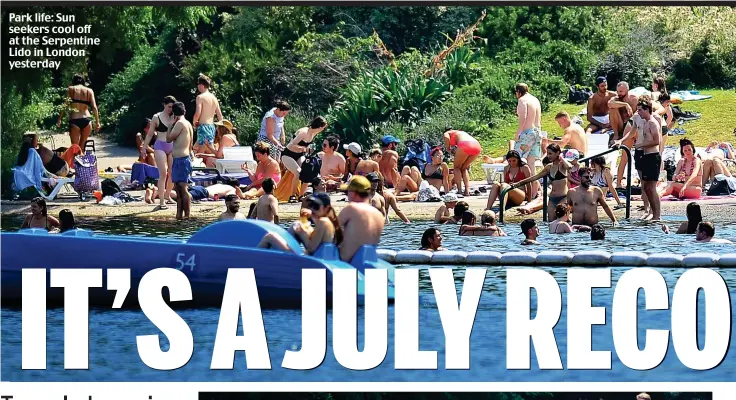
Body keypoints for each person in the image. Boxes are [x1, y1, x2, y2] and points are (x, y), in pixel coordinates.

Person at [259, 192, 342, 255]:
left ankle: (252, 260)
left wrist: (302, 233)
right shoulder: (328, 221)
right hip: (317, 257)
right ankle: (277, 253)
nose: (312, 209)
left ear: (326, 208)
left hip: (312, 260)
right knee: (296, 224)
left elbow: (311, 249)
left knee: (270, 237)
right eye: (311, 205)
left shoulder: (323, 222)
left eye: (316, 206)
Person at [510, 144, 572, 222]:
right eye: (547, 153)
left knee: (563, 222)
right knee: (551, 223)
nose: (548, 156)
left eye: (550, 153)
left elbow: (570, 167)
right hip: (552, 199)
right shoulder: (549, 167)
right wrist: (518, 184)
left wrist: (561, 158)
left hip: (563, 198)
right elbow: (535, 177)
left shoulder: (562, 165)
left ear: (557, 153)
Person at [337, 176, 386, 262]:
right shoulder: (379, 215)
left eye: (347, 191)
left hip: (348, 262)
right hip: (369, 260)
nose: (347, 194)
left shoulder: (351, 209)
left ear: (354, 193)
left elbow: (331, 231)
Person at [281, 116, 328, 200]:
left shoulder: (314, 133)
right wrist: (305, 149)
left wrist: (309, 150)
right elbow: (292, 145)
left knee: (308, 170)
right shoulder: (303, 132)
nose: (322, 130)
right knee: (298, 172)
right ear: (319, 126)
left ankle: (301, 195)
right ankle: (292, 195)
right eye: (322, 128)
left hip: (300, 155)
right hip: (288, 154)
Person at [143, 96, 177, 209]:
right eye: (169, 107)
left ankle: (167, 195)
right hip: (160, 145)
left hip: (172, 146)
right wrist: (144, 147)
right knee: (163, 173)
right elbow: (150, 134)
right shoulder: (156, 117)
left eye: (172, 107)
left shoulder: (175, 116)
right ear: (164, 105)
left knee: (172, 173)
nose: (170, 109)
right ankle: (161, 201)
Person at [634, 98, 662, 220]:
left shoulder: (652, 122)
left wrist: (641, 145)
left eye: (640, 110)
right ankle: (651, 213)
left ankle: (657, 215)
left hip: (653, 157)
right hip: (646, 157)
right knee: (646, 187)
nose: (638, 112)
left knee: (651, 187)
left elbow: (657, 141)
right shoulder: (644, 123)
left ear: (646, 109)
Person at [166, 101, 194, 220]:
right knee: (178, 188)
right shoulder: (188, 123)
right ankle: (179, 215)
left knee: (182, 188)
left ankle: (186, 215)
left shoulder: (179, 124)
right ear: (184, 111)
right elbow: (191, 143)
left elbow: (168, 139)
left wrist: (170, 125)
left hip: (181, 160)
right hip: (183, 159)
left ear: (174, 113)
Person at [57, 74, 100, 147]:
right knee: (82, 147)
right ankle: (82, 157)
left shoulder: (71, 89)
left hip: (74, 119)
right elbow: (94, 107)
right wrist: (97, 122)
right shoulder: (89, 90)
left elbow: (65, 105)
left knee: (75, 148)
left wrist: (59, 119)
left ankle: (76, 158)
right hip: (87, 120)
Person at [513, 83, 544, 174]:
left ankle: (518, 184)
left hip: (527, 133)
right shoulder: (535, 100)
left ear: (518, 92)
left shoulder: (522, 100)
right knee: (531, 164)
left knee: (516, 159)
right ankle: (534, 187)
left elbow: (524, 117)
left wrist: (518, 133)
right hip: (537, 132)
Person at [192, 74, 224, 154]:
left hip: (203, 126)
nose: (198, 87)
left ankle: (214, 162)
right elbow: (220, 116)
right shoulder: (214, 98)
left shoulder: (200, 97)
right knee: (196, 148)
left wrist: (194, 122)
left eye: (198, 84)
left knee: (202, 151)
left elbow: (197, 113)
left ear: (201, 85)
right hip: (211, 126)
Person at [444, 129, 481, 196]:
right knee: (464, 168)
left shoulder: (447, 133)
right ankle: (467, 191)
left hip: (465, 144)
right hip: (476, 145)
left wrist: (448, 148)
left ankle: (460, 191)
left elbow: (446, 137)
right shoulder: (461, 132)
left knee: (456, 167)